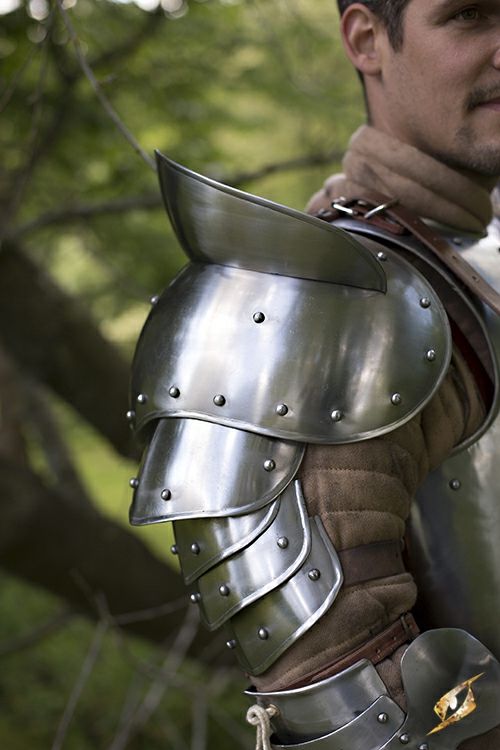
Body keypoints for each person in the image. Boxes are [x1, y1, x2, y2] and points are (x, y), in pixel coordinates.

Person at [128, 1, 500, 747]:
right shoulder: (339, 309)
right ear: (367, 40)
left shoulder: (467, 264)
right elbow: (350, 709)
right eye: (470, 16)